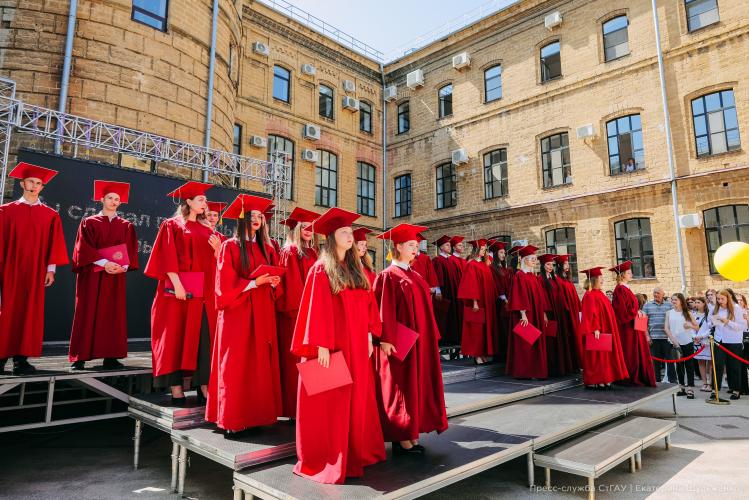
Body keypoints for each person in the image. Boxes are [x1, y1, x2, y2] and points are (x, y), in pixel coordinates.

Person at [291, 208, 385, 484]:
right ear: (332, 238)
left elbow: (369, 305)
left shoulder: (356, 269)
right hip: (334, 347)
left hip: (357, 345)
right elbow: (315, 308)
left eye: (350, 233)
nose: (349, 236)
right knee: (336, 402)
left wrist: (370, 335)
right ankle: (333, 454)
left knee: (358, 399)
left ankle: (356, 451)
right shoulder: (321, 269)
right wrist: (320, 344)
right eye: (344, 232)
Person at [206, 194, 283, 433]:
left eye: (260, 216)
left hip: (262, 314)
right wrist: (253, 282)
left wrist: (272, 282)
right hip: (237, 315)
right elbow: (224, 288)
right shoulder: (230, 246)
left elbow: (275, 289)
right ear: (241, 219)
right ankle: (232, 420)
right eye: (251, 216)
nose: (257, 219)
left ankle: (257, 417)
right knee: (236, 367)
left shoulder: (267, 250)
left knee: (258, 367)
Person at [144, 181, 223, 405]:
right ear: (188, 202)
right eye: (201, 200)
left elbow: (218, 263)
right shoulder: (172, 225)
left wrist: (218, 251)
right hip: (176, 292)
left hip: (202, 295)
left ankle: (204, 386)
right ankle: (176, 388)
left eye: (205, 200)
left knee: (202, 339)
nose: (205, 203)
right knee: (174, 337)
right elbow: (166, 255)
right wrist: (177, 284)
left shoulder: (207, 229)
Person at [372, 223, 448, 455]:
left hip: (420, 343)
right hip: (400, 344)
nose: (416, 249)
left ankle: (412, 432)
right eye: (411, 245)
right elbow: (382, 311)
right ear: (398, 246)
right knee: (402, 386)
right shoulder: (387, 276)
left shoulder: (415, 276)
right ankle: (401, 436)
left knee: (417, 386)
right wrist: (385, 339)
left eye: (417, 245)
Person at [0, 163, 69, 375]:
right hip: (9, 270)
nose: (34, 186)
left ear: (42, 187)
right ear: (22, 183)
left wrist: (51, 270)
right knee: (6, 313)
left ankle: (22, 360)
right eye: (30, 182)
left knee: (30, 314)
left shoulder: (50, 215)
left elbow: (54, 244)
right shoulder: (6, 211)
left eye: (38, 183)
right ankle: (1, 359)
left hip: (35, 272)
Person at [68, 180, 139, 371]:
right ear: (102, 199)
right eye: (110, 198)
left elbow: (130, 251)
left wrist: (122, 266)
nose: (114, 202)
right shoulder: (89, 222)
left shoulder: (126, 226)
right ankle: (79, 357)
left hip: (115, 276)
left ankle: (111, 357)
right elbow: (83, 249)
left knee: (112, 314)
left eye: (117, 199)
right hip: (92, 274)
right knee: (86, 311)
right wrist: (104, 263)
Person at [275, 206, 320, 419]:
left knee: (312, 361)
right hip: (296, 315)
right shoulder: (290, 251)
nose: (309, 230)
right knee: (295, 363)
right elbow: (291, 287)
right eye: (305, 226)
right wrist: (307, 309)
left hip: (313, 313)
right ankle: (294, 409)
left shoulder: (315, 252)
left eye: (311, 226)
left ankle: (312, 405)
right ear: (296, 229)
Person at [579, 267, 629, 389]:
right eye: (600, 278)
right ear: (594, 280)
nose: (603, 280)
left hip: (606, 328)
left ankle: (606, 379)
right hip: (598, 331)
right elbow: (590, 313)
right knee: (598, 357)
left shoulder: (599, 293)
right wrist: (595, 328)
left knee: (605, 357)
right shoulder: (589, 295)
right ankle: (597, 380)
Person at [609, 261, 656, 387]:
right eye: (629, 272)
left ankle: (639, 375)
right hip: (628, 328)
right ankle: (631, 376)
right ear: (623, 274)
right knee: (631, 352)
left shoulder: (626, 288)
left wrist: (638, 311)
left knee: (638, 351)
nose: (631, 274)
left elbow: (631, 307)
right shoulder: (619, 289)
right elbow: (621, 311)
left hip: (634, 325)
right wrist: (635, 313)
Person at [507, 245, 550, 379]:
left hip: (536, 314)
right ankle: (527, 371)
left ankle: (537, 370)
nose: (534, 261)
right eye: (532, 259)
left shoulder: (533, 277)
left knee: (536, 341)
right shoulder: (519, 276)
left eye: (535, 259)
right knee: (526, 342)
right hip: (526, 315)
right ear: (524, 260)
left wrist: (543, 313)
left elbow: (540, 297)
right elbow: (519, 296)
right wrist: (523, 314)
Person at [458, 239, 498, 364]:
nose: (483, 251)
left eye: (485, 249)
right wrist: (474, 301)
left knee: (486, 328)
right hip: (479, 302)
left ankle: (484, 353)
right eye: (481, 249)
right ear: (476, 250)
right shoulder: (471, 264)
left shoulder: (484, 264)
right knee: (478, 329)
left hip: (488, 301)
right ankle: (477, 355)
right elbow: (471, 284)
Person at [537, 254, 575, 376]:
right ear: (543, 266)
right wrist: (544, 314)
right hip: (550, 313)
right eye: (548, 264)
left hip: (559, 313)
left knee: (561, 339)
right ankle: (553, 368)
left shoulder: (554, 279)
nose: (550, 267)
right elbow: (541, 298)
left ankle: (562, 367)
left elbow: (561, 296)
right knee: (551, 341)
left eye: (551, 265)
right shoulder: (540, 279)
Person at [710, 289, 748, 401]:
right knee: (717, 365)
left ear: (728, 298)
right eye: (718, 299)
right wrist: (712, 322)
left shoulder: (736, 308)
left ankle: (736, 390)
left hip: (733, 341)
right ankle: (714, 390)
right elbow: (708, 323)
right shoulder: (715, 309)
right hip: (719, 340)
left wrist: (728, 322)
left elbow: (742, 326)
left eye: (722, 298)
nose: (720, 301)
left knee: (734, 366)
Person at [664, 293, 698, 399]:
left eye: (675, 300)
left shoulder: (687, 312)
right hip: (675, 343)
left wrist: (690, 325)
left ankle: (690, 388)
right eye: (672, 299)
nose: (673, 301)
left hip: (687, 342)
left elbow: (697, 327)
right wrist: (673, 340)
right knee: (679, 366)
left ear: (681, 301)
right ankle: (682, 386)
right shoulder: (669, 313)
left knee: (689, 365)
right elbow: (666, 328)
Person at [431, 235, 462, 346]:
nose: (449, 247)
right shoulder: (437, 260)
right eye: (447, 245)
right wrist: (438, 290)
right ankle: (445, 338)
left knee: (454, 312)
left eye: (449, 245)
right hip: (444, 292)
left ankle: (455, 337)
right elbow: (435, 276)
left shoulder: (452, 260)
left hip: (454, 290)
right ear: (441, 247)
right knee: (445, 314)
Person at [554, 254, 582, 369]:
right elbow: (561, 297)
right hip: (567, 313)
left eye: (568, 263)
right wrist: (567, 310)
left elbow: (575, 296)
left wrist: (580, 309)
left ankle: (577, 363)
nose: (567, 266)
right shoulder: (558, 279)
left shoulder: (568, 280)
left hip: (574, 313)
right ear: (560, 265)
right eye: (565, 264)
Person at [642, 287, 676, 383]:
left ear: (663, 294)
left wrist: (673, 338)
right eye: (654, 293)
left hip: (667, 338)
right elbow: (643, 323)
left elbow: (673, 321)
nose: (656, 294)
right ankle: (656, 380)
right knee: (655, 362)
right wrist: (647, 336)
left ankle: (672, 380)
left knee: (670, 360)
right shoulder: (647, 306)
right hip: (654, 338)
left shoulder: (669, 305)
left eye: (658, 293)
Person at [488, 241, 513, 362]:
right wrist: (503, 297)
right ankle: (500, 354)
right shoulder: (491, 268)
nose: (503, 254)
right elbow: (495, 285)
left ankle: (506, 353)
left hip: (507, 301)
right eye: (501, 252)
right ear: (496, 253)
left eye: (504, 252)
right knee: (500, 327)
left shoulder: (504, 268)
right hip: (499, 302)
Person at [691, 296, 712, 392]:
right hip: (697, 342)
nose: (696, 304)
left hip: (707, 341)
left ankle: (711, 383)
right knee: (701, 362)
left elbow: (711, 329)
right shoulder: (693, 314)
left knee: (710, 363)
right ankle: (704, 382)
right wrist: (694, 336)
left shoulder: (710, 314)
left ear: (704, 303)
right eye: (695, 302)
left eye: (699, 302)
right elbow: (690, 327)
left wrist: (702, 336)